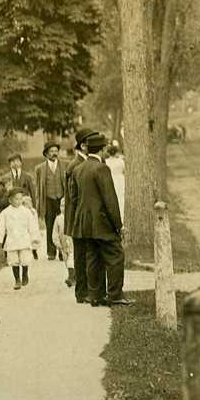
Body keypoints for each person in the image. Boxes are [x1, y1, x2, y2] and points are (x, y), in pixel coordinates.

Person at [72, 131, 132, 307]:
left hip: (85, 222)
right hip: (101, 222)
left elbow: (75, 198)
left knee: (93, 258)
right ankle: (115, 294)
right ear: (102, 149)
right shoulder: (101, 168)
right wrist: (118, 225)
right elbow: (110, 199)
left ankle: (96, 296)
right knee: (116, 255)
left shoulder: (79, 169)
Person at [64, 127, 94, 303]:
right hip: (77, 219)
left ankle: (86, 290)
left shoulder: (82, 163)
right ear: (83, 146)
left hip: (81, 217)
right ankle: (82, 292)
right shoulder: (75, 165)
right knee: (81, 256)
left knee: (85, 255)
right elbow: (73, 197)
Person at [0, 188, 41, 290]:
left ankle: (25, 274)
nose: (19, 201)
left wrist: (35, 237)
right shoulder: (5, 213)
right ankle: (17, 279)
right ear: (10, 200)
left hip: (24, 239)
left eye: (20, 199)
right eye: (16, 199)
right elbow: (1, 227)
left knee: (25, 259)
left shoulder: (26, 212)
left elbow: (32, 225)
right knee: (13, 260)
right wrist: (0, 239)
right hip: (12, 240)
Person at [33, 142, 67, 261]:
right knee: (50, 225)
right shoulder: (40, 169)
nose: (54, 153)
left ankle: (63, 251)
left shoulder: (65, 165)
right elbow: (38, 188)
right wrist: (38, 205)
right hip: (48, 200)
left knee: (64, 226)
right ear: (46, 154)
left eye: (56, 151)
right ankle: (51, 252)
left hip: (62, 200)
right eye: (51, 151)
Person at [52, 197, 75, 287]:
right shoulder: (58, 219)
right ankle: (73, 276)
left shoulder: (73, 217)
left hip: (73, 243)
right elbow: (55, 232)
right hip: (63, 244)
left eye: (65, 206)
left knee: (71, 261)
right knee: (67, 261)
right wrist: (57, 243)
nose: (63, 208)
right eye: (61, 206)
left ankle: (71, 278)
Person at [105, 143, 126, 222]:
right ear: (116, 152)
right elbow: (124, 170)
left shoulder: (106, 162)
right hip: (120, 179)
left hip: (111, 179)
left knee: (114, 197)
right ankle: (121, 216)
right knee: (120, 197)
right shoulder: (121, 161)